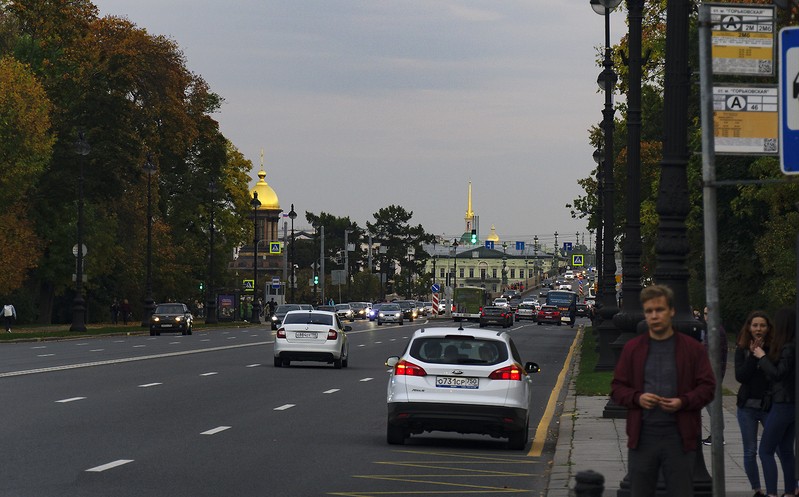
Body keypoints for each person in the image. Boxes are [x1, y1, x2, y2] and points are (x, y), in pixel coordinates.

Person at [610, 284, 715, 497]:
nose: (654, 316)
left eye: (660, 310)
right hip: (643, 436)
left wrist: (683, 401)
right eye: (649, 311)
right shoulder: (633, 349)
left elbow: (708, 387)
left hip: (679, 436)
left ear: (671, 311)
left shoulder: (691, 349)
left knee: (680, 490)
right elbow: (617, 388)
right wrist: (638, 398)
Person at [754, 307, 796, 497]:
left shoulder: (789, 347)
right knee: (786, 450)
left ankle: (771, 493)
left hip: (783, 403)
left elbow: (779, 374)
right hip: (792, 405)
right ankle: (789, 491)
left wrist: (762, 357)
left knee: (766, 450)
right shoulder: (791, 345)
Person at [735, 310, 773, 497]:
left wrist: (763, 355)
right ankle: (757, 489)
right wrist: (752, 356)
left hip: (769, 406)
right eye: (755, 325)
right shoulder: (741, 348)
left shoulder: (775, 348)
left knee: (778, 449)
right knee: (750, 450)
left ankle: (779, 487)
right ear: (749, 328)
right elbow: (740, 376)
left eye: (762, 325)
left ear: (768, 328)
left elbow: (775, 375)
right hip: (747, 407)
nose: (758, 329)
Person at [701, 305, 729, 446]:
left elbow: (708, 354)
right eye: (705, 313)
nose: (706, 316)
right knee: (710, 404)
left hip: (713, 375)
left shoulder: (716, 331)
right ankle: (717, 434)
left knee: (713, 405)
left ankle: (718, 436)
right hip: (711, 374)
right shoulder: (713, 330)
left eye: (709, 313)